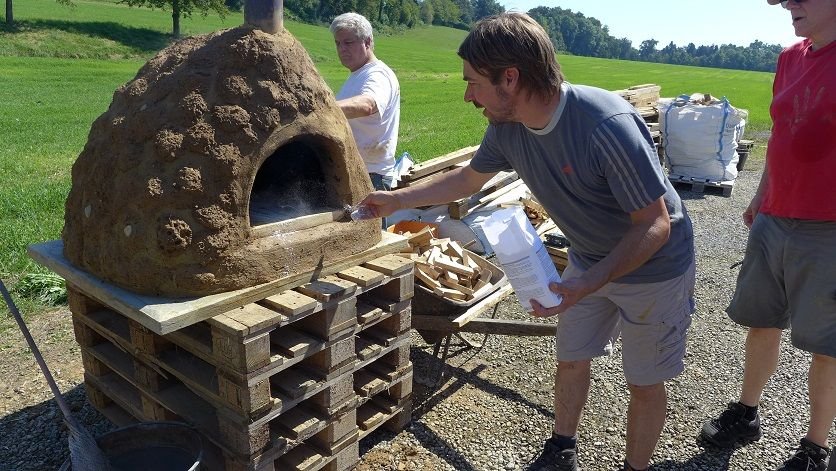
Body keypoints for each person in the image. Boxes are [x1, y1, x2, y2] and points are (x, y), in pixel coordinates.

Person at [359, 12, 695, 471]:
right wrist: (392, 199)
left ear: (510, 78)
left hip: (655, 267)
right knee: (571, 358)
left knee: (643, 380)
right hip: (588, 258)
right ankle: (562, 448)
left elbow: (656, 224)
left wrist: (590, 280)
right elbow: (468, 179)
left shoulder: (604, 124)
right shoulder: (507, 126)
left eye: (474, 82)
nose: (467, 95)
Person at [700, 1, 836, 470]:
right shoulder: (790, 57)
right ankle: (747, 413)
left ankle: (815, 447)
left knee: (828, 344)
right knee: (762, 323)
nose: (790, 6)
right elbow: (781, 133)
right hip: (775, 217)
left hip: (830, 228)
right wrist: (762, 196)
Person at [330, 12, 401, 191]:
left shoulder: (377, 74)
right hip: (353, 170)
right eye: (338, 43)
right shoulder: (357, 75)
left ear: (367, 42)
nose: (342, 49)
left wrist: (322, 108)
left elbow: (367, 105)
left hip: (371, 176)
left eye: (348, 43)